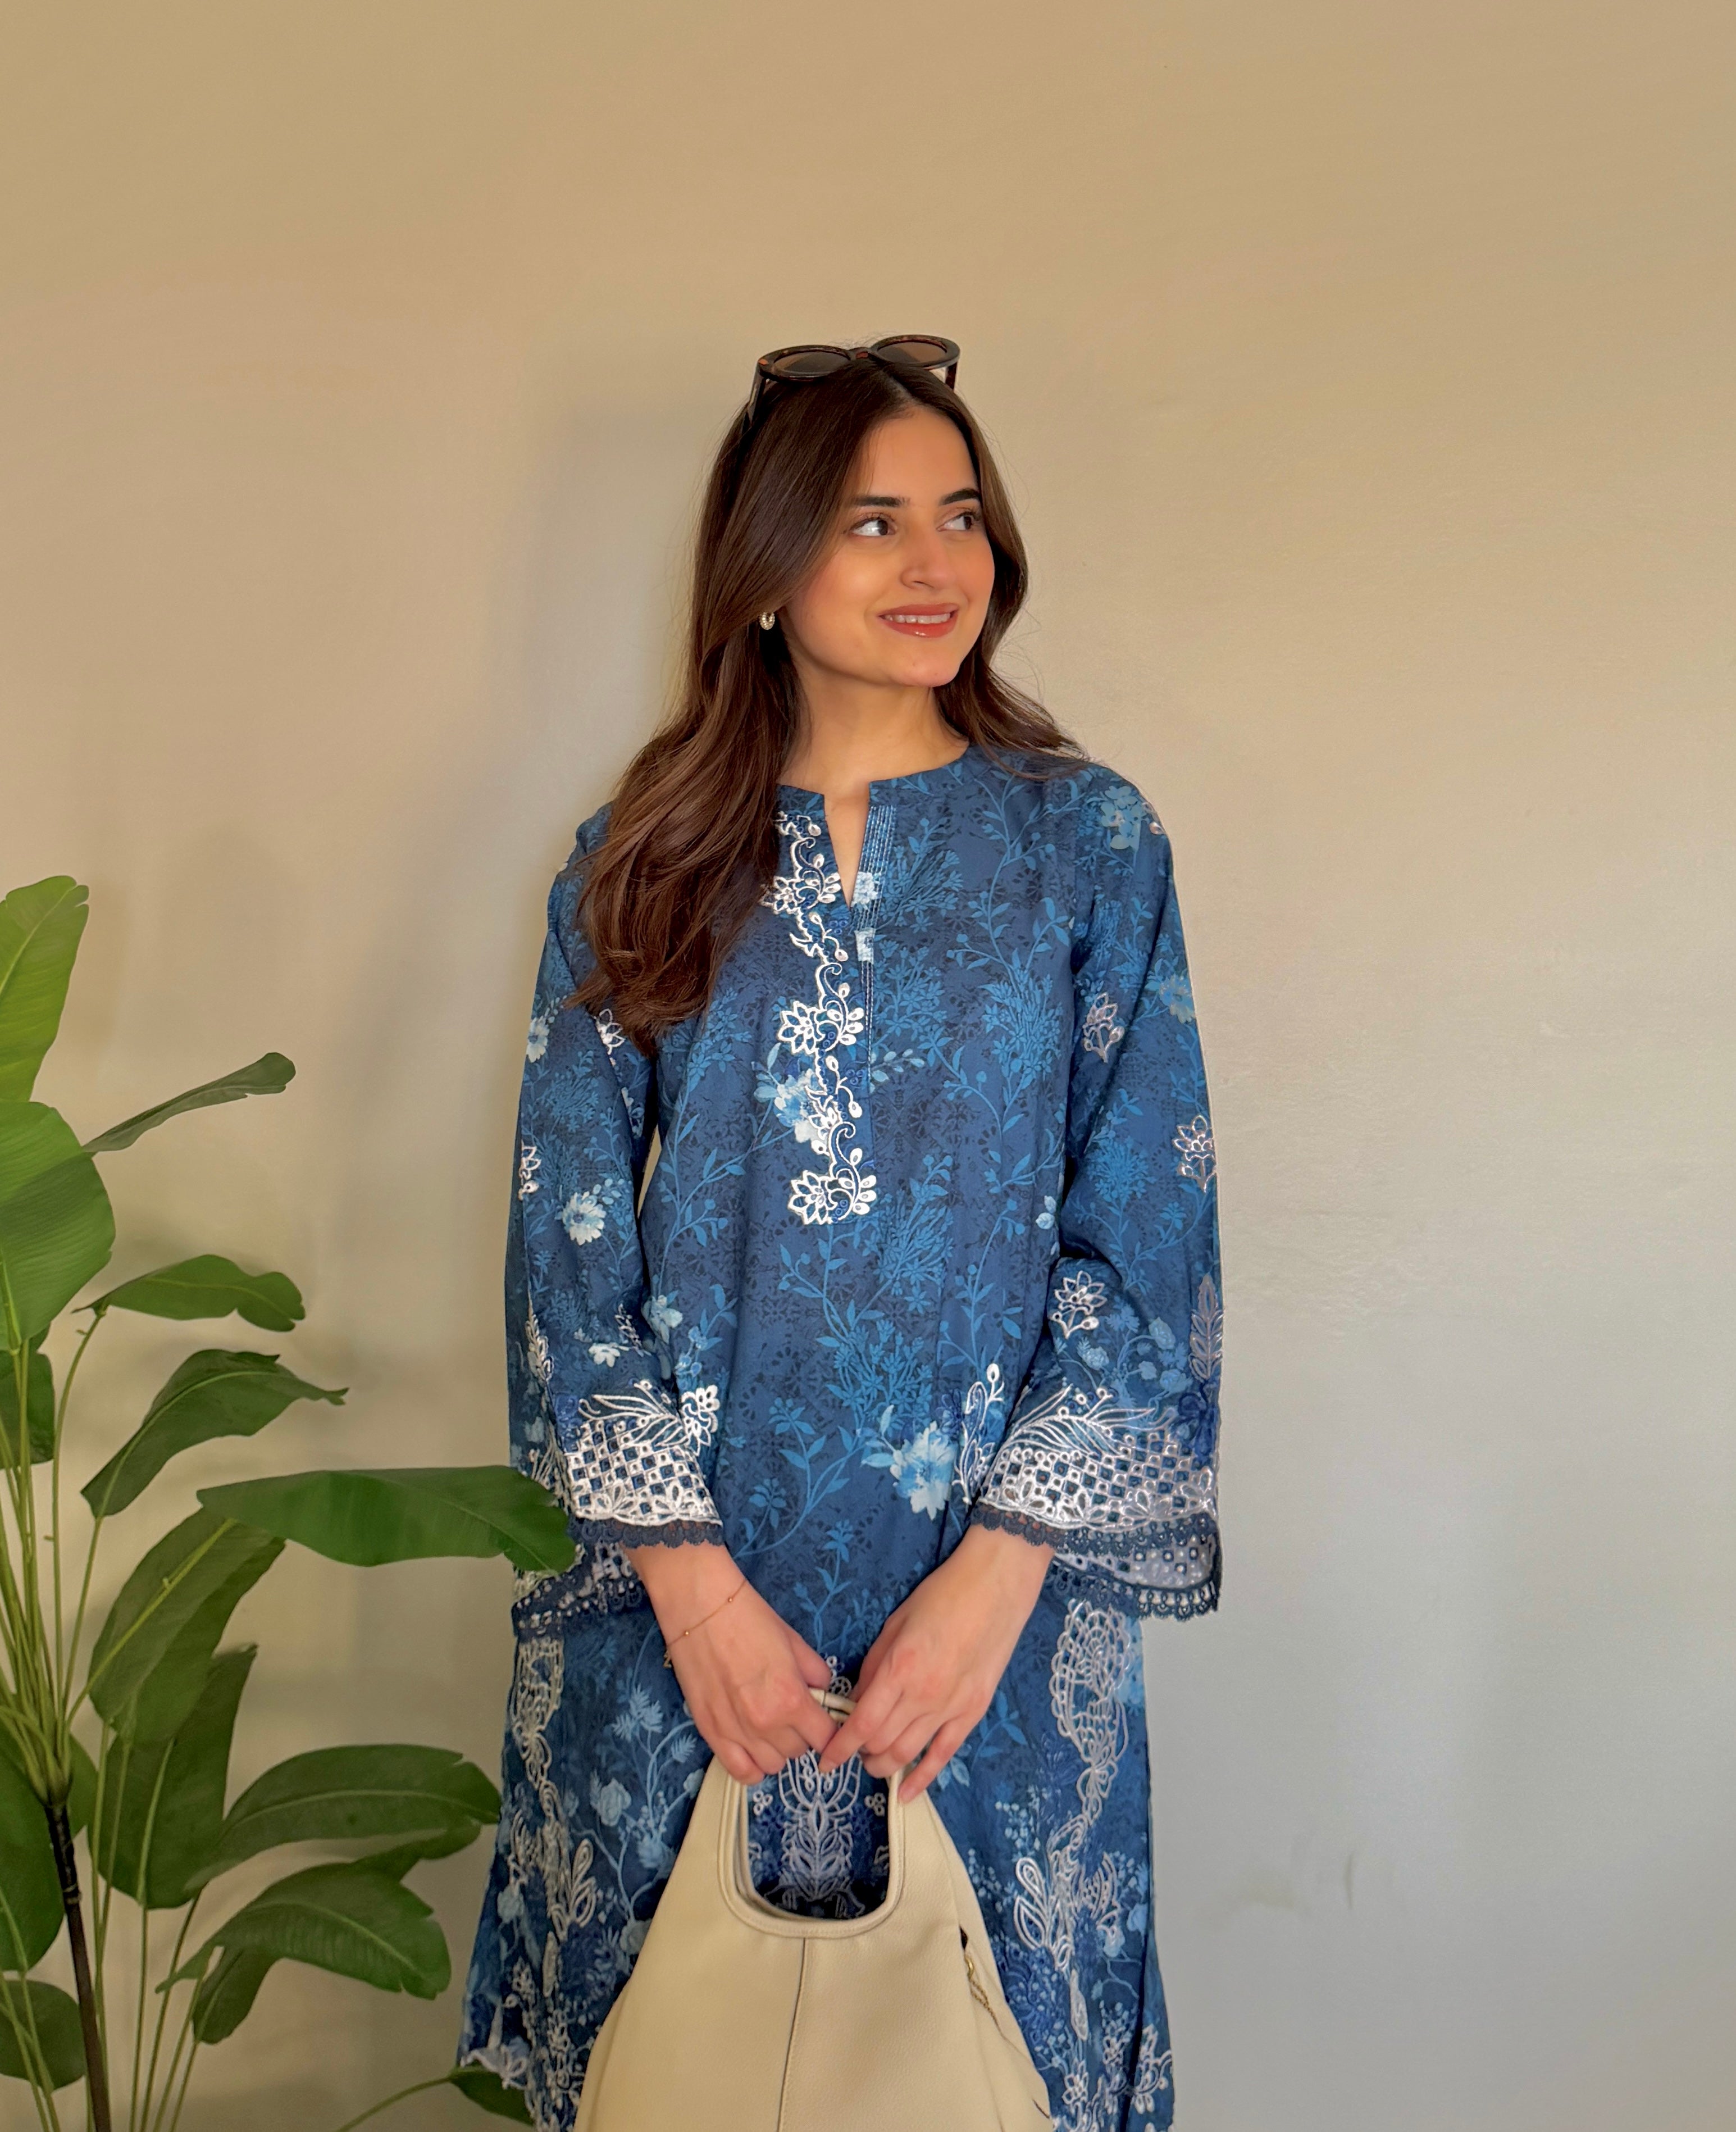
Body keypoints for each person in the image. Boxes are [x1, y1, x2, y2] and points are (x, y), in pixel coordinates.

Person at [458, 337, 1223, 2132]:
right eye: (872, 521)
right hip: (684, 1637)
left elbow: (1146, 1230)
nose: (934, 561)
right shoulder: (641, 857)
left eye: (959, 514)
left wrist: (992, 1583)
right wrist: (697, 1600)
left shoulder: (1088, 846)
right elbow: (567, 1253)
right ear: (765, 566)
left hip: (989, 1656)